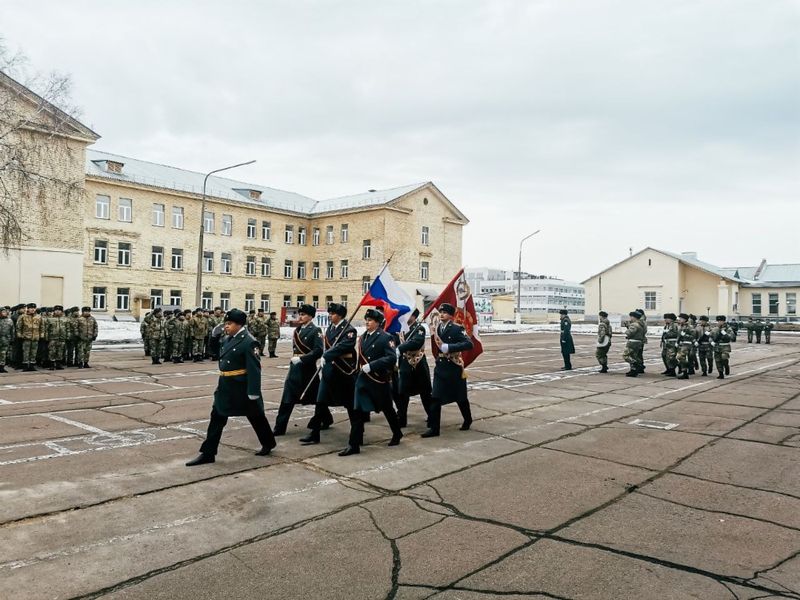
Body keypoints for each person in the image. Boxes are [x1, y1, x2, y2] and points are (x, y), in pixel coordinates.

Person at [186, 308, 276, 466]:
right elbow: (216, 353)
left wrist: (253, 392)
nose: (226, 326)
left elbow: (254, 369)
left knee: (256, 416)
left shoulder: (249, 341)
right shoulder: (229, 338)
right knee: (217, 417)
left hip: (241, 387)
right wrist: (214, 337)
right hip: (226, 386)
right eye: (225, 323)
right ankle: (208, 453)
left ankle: (268, 443)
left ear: (239, 324)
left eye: (229, 323)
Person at [339, 308, 402, 455]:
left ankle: (397, 433)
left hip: (378, 380)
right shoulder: (363, 337)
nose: (367, 322)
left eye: (370, 320)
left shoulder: (386, 337)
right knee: (357, 412)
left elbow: (391, 358)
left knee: (388, 409)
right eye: (366, 320)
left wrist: (372, 366)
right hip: (363, 381)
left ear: (378, 323)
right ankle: (354, 444)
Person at [300, 303, 357, 445]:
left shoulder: (350, 330)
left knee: (350, 404)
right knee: (320, 402)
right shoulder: (331, 328)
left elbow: (345, 346)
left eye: (332, 314)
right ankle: (315, 433)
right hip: (329, 372)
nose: (330, 316)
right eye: (329, 313)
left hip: (343, 372)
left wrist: (328, 355)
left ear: (340, 315)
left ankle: (357, 433)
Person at [422, 303, 474, 437]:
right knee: (435, 398)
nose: (441, 314)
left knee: (460, 397)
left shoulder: (457, 328)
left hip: (454, 368)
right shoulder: (438, 327)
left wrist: (449, 347)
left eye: (445, 312)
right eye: (440, 312)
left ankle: (467, 419)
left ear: (451, 315)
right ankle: (434, 429)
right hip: (441, 368)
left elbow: (469, 343)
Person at [274, 304, 324, 436]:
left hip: (308, 370)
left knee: (316, 397)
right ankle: (280, 427)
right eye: (299, 314)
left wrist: (303, 359)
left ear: (311, 316)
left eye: (303, 314)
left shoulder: (315, 330)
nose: (300, 317)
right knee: (287, 398)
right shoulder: (297, 330)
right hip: (295, 369)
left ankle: (326, 419)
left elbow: (319, 351)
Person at [396, 308, 433, 427]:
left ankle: (432, 417)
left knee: (425, 393)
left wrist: (400, 348)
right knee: (402, 394)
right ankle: (402, 420)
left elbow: (416, 342)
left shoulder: (419, 328)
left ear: (414, 316)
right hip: (405, 365)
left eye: (408, 314)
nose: (406, 316)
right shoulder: (402, 329)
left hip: (419, 365)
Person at [16, 303, 43, 371]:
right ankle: (25, 365)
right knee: (26, 352)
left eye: (34, 308)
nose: (33, 309)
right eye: (31, 308)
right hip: (26, 337)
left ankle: (32, 365)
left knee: (34, 352)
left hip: (35, 337)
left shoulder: (39, 317)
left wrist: (41, 334)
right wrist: (19, 335)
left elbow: (42, 327)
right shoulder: (23, 316)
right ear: (28, 309)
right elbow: (18, 327)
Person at [45, 305, 69, 370]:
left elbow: (68, 329)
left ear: (62, 311)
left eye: (59, 310)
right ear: (54, 311)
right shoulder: (49, 319)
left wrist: (67, 336)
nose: (58, 311)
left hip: (62, 338)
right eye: (56, 310)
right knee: (52, 351)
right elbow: (46, 329)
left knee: (60, 352)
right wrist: (46, 337)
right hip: (52, 338)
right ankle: (52, 364)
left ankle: (58, 364)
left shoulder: (65, 319)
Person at [623, 311, 645, 377]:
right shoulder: (642, 324)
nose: (630, 318)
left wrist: (627, 328)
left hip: (632, 342)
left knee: (626, 355)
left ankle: (636, 364)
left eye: (631, 317)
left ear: (634, 317)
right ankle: (633, 370)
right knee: (633, 356)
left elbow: (630, 333)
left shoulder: (634, 324)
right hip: (638, 342)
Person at [675, 313, 695, 379]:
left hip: (687, 344)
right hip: (681, 344)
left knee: (680, 357)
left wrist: (685, 335)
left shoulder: (689, 327)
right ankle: (685, 372)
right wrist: (677, 342)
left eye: (680, 319)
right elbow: (679, 335)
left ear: (684, 319)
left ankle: (687, 368)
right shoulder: (680, 326)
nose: (679, 320)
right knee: (680, 358)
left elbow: (693, 336)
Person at [0, 306, 13, 373]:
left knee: (3, 354)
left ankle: (2, 367)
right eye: (2, 312)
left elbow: (12, 331)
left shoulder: (9, 320)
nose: (4, 313)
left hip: (5, 340)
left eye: (5, 312)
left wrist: (12, 339)